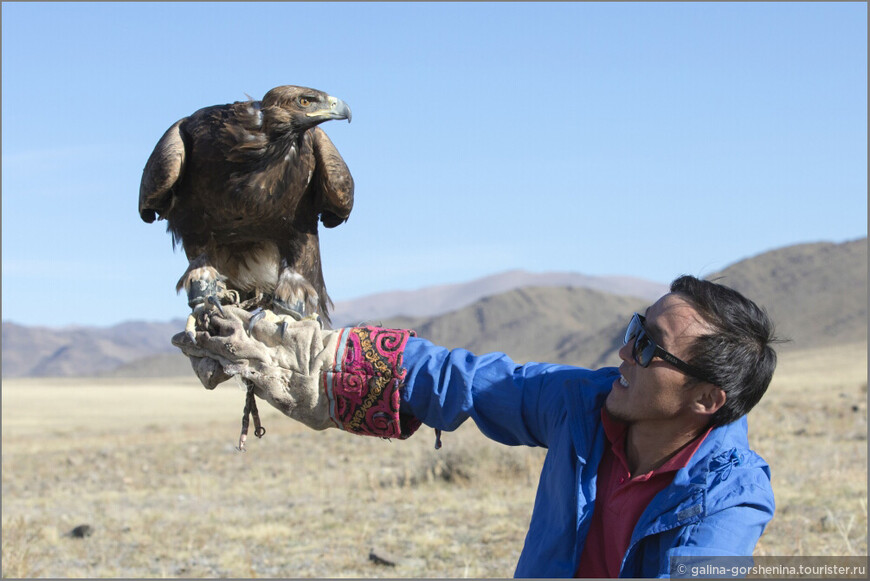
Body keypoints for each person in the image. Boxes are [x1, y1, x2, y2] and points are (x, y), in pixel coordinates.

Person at [173, 274, 779, 578]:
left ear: (705, 400)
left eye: (649, 349)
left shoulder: (729, 502)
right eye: (633, 330)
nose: (623, 353)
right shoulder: (585, 404)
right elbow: (463, 380)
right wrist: (326, 359)